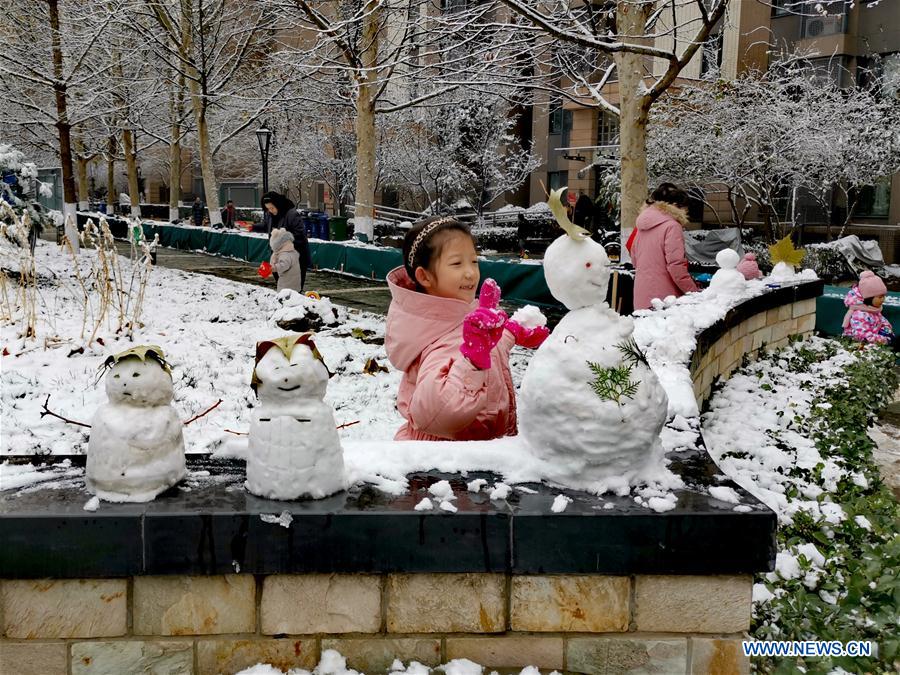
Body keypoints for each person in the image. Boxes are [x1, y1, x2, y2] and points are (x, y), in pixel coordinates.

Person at [385, 217, 547, 441]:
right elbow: (438, 413)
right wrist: (472, 359)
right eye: (456, 264)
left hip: (476, 453)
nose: (470, 272)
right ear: (425, 276)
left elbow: (479, 347)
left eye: (474, 261)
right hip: (445, 463)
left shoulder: (459, 317)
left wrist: (510, 332)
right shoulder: (436, 337)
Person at [630, 183, 699, 310]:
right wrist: (693, 292)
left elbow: (634, 259)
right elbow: (676, 265)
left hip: (642, 293)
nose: (686, 212)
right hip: (665, 298)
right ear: (676, 206)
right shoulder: (672, 226)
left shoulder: (641, 226)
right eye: (685, 208)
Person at [261, 191, 310, 290]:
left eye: (272, 208)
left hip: (295, 257)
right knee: (282, 285)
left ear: (278, 204)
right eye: (268, 209)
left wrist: (281, 240)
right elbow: (266, 226)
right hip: (280, 256)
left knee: (293, 288)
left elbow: (300, 234)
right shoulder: (272, 216)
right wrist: (252, 227)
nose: (270, 211)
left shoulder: (291, 214)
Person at [843, 271, 895, 347]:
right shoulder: (860, 315)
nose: (883, 299)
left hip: (876, 340)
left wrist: (887, 331)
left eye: (884, 296)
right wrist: (885, 340)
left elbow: (883, 321)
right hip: (860, 346)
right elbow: (864, 337)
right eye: (880, 297)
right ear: (869, 298)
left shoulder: (873, 310)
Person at [268, 228, 302, 293]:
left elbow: (284, 265)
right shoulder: (291, 251)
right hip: (294, 282)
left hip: (286, 285)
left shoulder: (285, 254)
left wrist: (273, 268)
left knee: (284, 297)